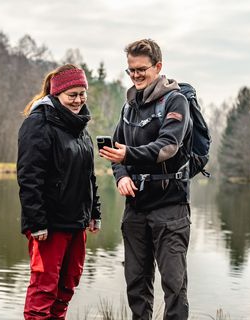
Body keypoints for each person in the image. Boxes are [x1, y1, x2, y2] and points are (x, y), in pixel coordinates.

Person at [99, 39, 193, 320]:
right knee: (136, 285)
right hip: (136, 208)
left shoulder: (176, 101)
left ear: (158, 66)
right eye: (131, 70)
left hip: (170, 208)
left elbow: (168, 147)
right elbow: (116, 149)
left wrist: (128, 155)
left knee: (174, 286)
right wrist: (120, 176)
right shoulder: (129, 106)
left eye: (141, 69)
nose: (136, 75)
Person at [17, 64, 101, 320]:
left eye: (82, 94)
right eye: (72, 95)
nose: (78, 100)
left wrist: (94, 211)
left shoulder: (80, 127)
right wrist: (36, 222)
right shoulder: (38, 123)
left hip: (76, 222)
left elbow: (89, 175)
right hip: (49, 226)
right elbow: (29, 178)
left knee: (66, 287)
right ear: (57, 94)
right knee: (44, 290)